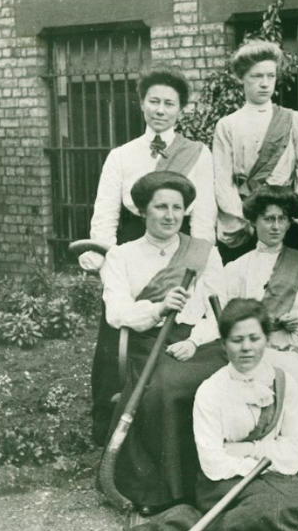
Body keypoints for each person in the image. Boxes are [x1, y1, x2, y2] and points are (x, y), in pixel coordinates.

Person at [99, 299, 298, 531]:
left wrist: (246, 449)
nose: (246, 348)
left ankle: (246, 526)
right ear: (223, 344)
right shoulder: (211, 391)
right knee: (272, 510)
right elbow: (213, 462)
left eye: (254, 338)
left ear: (266, 339)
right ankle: (230, 530)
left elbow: (295, 446)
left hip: (272, 476)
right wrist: (261, 455)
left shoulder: (284, 383)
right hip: (221, 483)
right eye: (236, 340)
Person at [80, 64, 217, 444]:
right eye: (153, 101)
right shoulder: (122, 155)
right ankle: (109, 426)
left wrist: (201, 258)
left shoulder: (198, 154)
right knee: (116, 339)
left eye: (169, 103)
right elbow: (105, 214)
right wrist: (109, 265)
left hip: (181, 242)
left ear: (180, 109)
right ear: (142, 105)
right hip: (133, 239)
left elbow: (203, 215)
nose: (160, 109)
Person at [100, 170, 227, 515]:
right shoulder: (121, 257)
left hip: (198, 342)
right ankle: (165, 489)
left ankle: (216, 482)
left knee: (219, 382)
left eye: (177, 207)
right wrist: (158, 307)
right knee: (164, 389)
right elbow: (117, 312)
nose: (170, 216)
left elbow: (221, 312)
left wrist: (196, 341)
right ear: (143, 211)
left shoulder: (204, 253)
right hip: (148, 342)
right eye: (160, 207)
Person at [223, 184, 298, 484]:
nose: (276, 226)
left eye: (283, 219)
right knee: (283, 380)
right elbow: (229, 320)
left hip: (293, 350)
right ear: (254, 222)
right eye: (268, 219)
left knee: (295, 378)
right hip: (253, 354)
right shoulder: (238, 268)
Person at [213, 40, 298, 263]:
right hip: (245, 222)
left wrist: (291, 211)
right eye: (257, 76)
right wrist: (246, 218)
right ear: (241, 78)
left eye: (271, 76)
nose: (265, 83)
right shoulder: (227, 125)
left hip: (286, 221)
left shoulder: (293, 120)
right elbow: (222, 182)